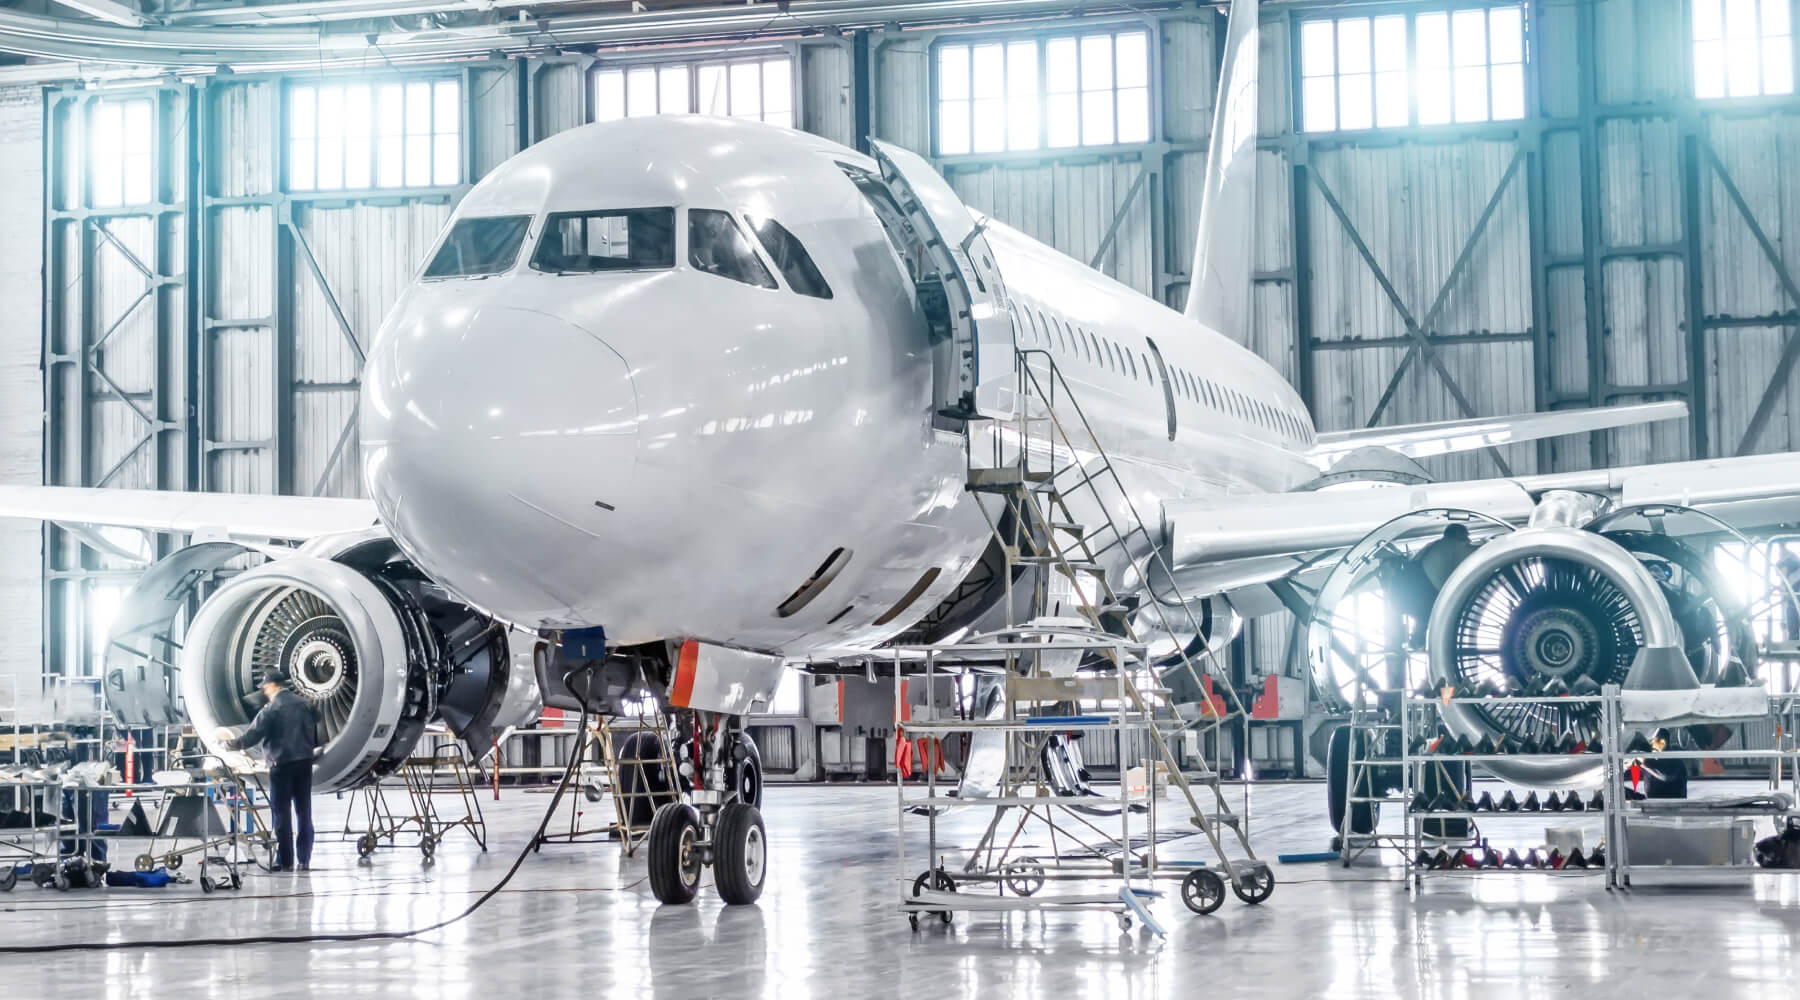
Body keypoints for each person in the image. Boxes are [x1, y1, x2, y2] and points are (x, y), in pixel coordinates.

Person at [224, 671, 318, 873]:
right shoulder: (303, 703)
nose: (264, 691)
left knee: (282, 814)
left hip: (281, 764)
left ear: (272, 686)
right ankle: (304, 860)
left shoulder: (272, 708)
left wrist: (230, 744)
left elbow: (252, 736)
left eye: (265, 687)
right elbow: (317, 719)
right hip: (304, 762)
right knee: (304, 812)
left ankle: (285, 861)